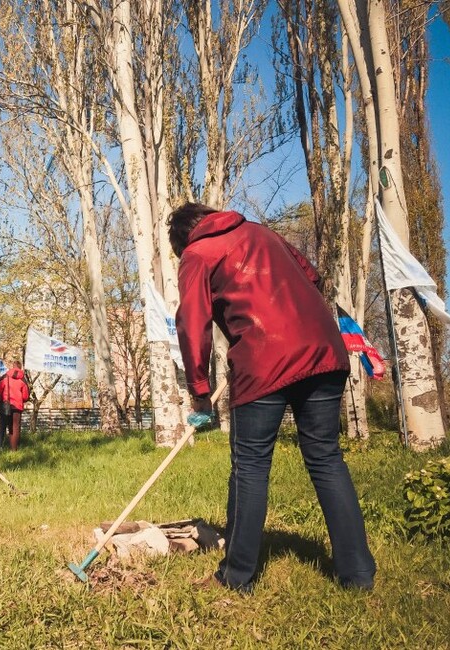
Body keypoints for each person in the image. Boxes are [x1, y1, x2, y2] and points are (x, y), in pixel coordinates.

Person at [168, 202, 376, 593]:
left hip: (265, 357)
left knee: (250, 466)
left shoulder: (197, 253)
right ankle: (359, 575)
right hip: (324, 350)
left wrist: (199, 389)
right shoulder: (263, 233)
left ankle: (236, 577)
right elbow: (312, 277)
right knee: (326, 458)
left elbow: (192, 324)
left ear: (182, 239)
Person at [0, 361, 30, 451]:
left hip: (6, 405)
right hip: (17, 406)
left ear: (12, 367)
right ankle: (14, 449)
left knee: (4, 426)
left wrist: (1, 400)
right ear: (20, 368)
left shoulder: (5, 378)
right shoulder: (22, 380)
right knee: (15, 427)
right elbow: (25, 396)